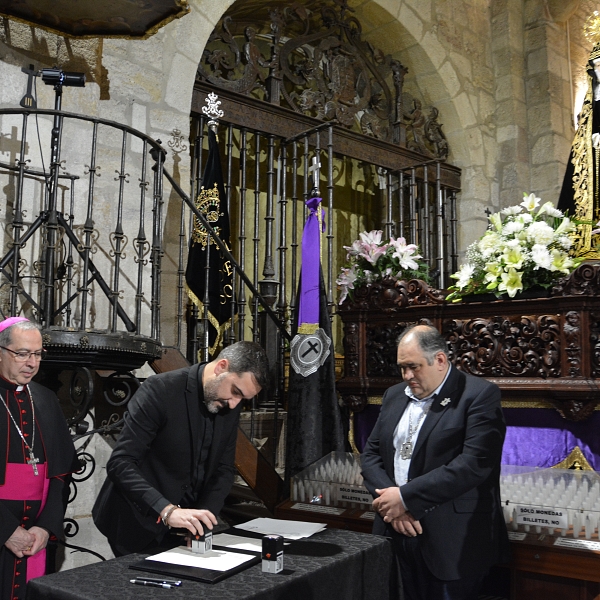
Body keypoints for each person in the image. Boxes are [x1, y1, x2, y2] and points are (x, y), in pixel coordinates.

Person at [361, 325, 509, 600]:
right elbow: (370, 455)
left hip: (449, 543)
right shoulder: (394, 395)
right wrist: (391, 502)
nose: (407, 376)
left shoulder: (478, 395)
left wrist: (404, 499)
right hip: (392, 530)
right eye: (402, 368)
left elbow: (474, 463)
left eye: (413, 367)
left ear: (440, 360)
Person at [92, 340, 269, 556]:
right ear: (221, 366)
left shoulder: (228, 403)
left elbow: (223, 469)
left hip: (185, 528)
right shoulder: (160, 390)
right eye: (236, 391)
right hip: (137, 521)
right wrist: (166, 510)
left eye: (242, 398)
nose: (234, 404)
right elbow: (121, 463)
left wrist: (204, 518)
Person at [0, 317, 78, 600]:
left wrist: (46, 526)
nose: (31, 363)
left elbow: (61, 474)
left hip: (36, 537)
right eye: (22, 354)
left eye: (37, 354)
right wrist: (7, 530)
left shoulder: (45, 399)